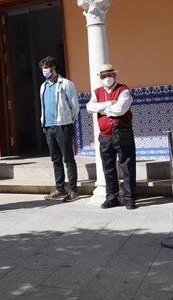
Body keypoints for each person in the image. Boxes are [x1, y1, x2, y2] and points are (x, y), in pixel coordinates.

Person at [86, 64, 137, 209]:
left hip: (122, 132)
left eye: (109, 75)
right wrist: (109, 104)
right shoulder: (97, 92)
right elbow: (90, 107)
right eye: (103, 76)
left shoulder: (124, 90)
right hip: (105, 135)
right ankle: (112, 197)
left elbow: (120, 110)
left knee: (127, 165)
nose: (106, 78)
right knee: (108, 167)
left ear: (114, 75)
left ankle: (129, 197)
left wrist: (102, 108)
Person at [38, 56, 80, 203]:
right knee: (55, 159)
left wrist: (68, 121)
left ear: (54, 68)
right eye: (43, 69)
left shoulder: (66, 84)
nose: (45, 71)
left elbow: (75, 106)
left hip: (63, 126)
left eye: (47, 68)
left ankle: (73, 191)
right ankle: (60, 189)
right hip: (48, 127)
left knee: (68, 158)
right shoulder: (43, 86)